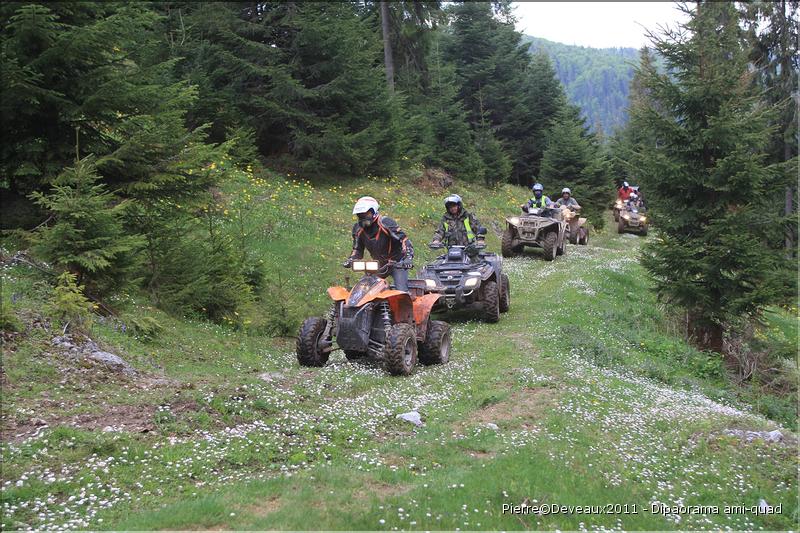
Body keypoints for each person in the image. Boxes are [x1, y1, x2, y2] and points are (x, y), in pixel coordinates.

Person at [343, 196, 413, 292]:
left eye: (366, 213)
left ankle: (405, 305)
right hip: (378, 264)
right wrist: (351, 260)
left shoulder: (385, 223)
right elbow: (357, 250)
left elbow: (404, 240)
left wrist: (408, 258)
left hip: (397, 263)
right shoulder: (358, 228)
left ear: (373, 211)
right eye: (360, 214)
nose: (363, 216)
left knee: (401, 292)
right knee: (363, 290)